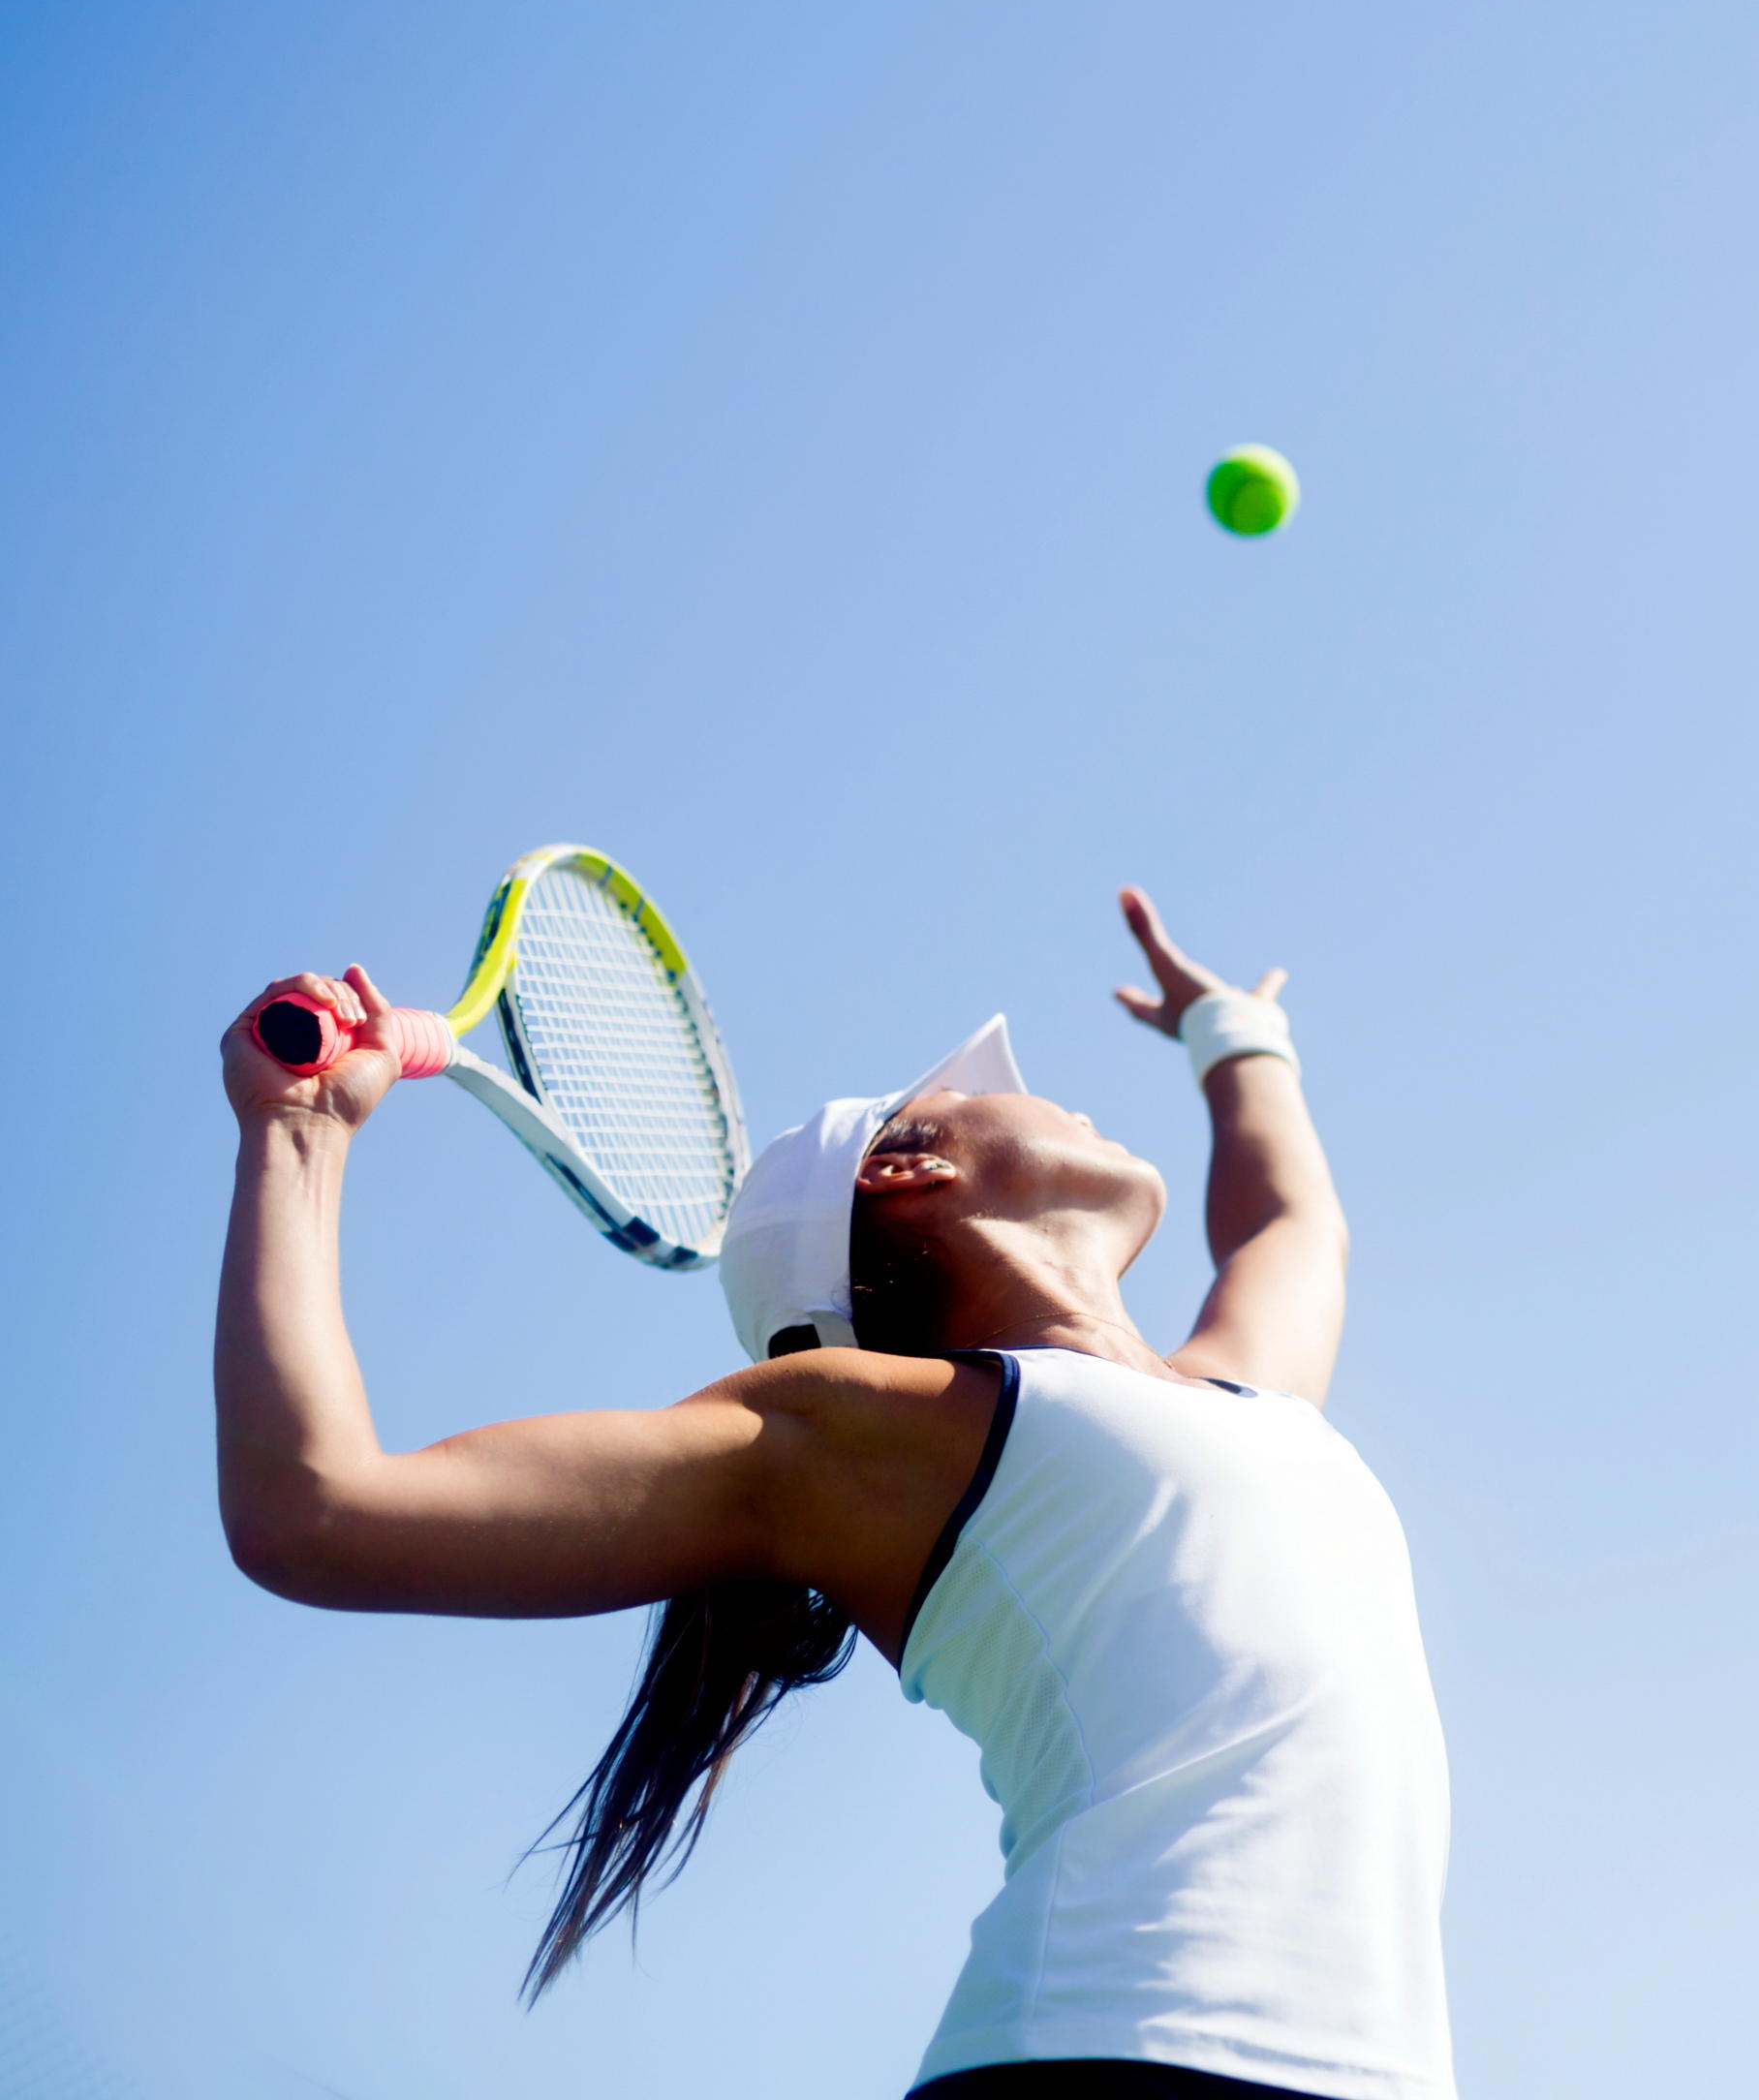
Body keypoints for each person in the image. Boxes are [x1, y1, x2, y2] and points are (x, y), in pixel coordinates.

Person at [216, 886, 1455, 2100]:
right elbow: (315, 1507)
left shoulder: (1240, 1399)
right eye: (972, 1091)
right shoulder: (870, 1436)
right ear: (907, 1168)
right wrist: (299, 1132)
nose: (1049, 1090)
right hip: (1115, 2051)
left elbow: (1291, 1226)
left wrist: (1234, 1033)